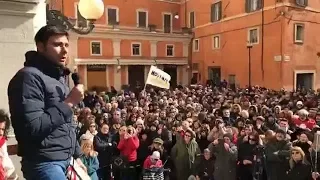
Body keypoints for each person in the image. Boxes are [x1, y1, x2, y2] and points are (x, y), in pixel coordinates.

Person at [7, 25, 86, 180]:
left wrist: (76, 156)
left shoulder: (58, 78)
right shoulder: (28, 78)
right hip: (44, 163)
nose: (64, 50)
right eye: (57, 45)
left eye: (66, 45)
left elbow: (66, 125)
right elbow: (33, 128)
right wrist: (69, 102)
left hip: (66, 160)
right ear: (41, 47)